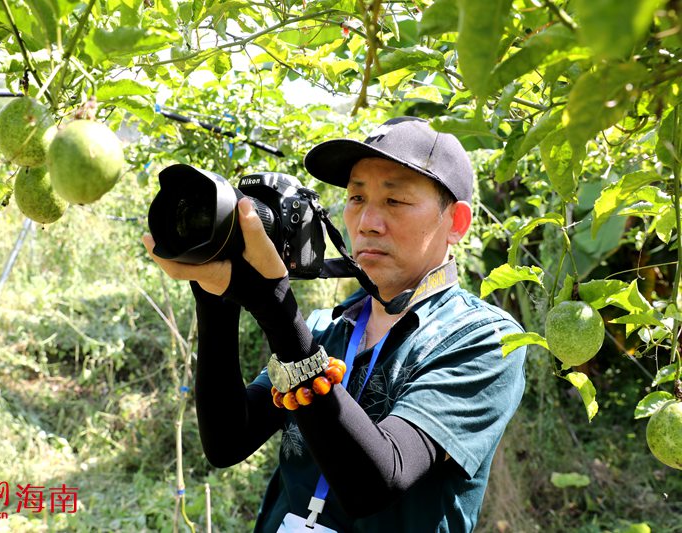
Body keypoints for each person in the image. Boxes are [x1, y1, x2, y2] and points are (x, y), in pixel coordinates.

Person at [142, 117, 528, 532]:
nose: (367, 223)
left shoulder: (484, 339)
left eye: (394, 201)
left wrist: (276, 308)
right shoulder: (328, 327)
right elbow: (227, 441)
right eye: (357, 198)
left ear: (456, 223)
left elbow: (375, 483)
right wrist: (215, 295)